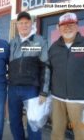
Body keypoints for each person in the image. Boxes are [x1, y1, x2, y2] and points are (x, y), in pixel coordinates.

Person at [48, 12, 84, 140]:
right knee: (56, 133)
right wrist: (44, 93)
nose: (67, 27)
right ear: (58, 28)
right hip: (57, 99)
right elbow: (48, 71)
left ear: (77, 26)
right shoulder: (53, 48)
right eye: (64, 25)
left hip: (80, 100)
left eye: (71, 24)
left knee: (82, 135)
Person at [8, 11, 50, 140]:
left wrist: (44, 92)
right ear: (17, 25)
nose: (24, 25)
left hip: (32, 89)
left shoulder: (40, 41)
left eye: (26, 22)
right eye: (21, 23)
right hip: (13, 89)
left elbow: (46, 66)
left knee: (34, 123)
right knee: (14, 122)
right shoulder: (12, 42)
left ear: (31, 24)